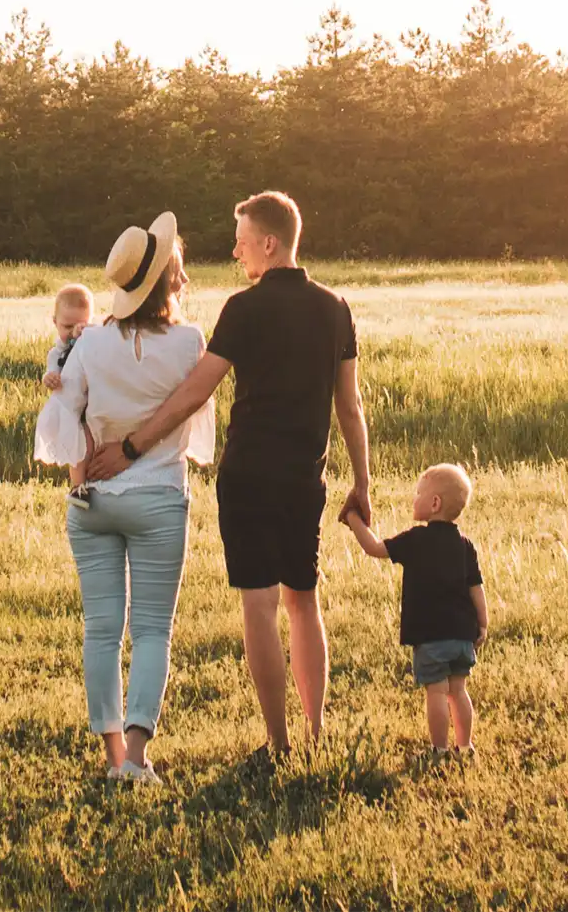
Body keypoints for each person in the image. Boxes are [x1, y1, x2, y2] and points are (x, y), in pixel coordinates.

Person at [86, 191, 370, 768]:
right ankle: (316, 735)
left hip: (248, 477)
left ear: (269, 242)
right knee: (303, 600)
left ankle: (278, 744)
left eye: (242, 240)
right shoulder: (336, 307)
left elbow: (197, 390)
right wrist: (362, 482)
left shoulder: (243, 309)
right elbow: (350, 404)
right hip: (304, 478)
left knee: (260, 605)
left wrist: (133, 445)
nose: (236, 250)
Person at [57, 213, 216, 782]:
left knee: (100, 629)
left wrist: (80, 473)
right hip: (158, 499)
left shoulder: (90, 343)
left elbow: (63, 415)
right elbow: (194, 419)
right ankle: (139, 756)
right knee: (152, 630)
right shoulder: (191, 341)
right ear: (170, 280)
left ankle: (111, 759)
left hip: (93, 500)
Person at [341, 464, 488, 755]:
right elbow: (476, 588)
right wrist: (482, 624)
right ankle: (465, 745)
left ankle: (439, 748)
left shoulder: (415, 540)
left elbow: (374, 548)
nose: (414, 498)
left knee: (436, 691)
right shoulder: (465, 545)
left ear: (435, 504)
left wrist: (352, 518)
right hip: (462, 636)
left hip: (432, 637)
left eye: (418, 493)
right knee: (458, 691)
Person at [36, 284, 97, 505]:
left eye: (81, 325)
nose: (73, 332)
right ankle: (78, 488)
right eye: (67, 326)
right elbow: (51, 371)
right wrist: (49, 378)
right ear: (55, 322)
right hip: (71, 407)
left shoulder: (93, 341)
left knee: (96, 442)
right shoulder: (57, 352)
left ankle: (100, 481)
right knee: (78, 447)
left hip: (93, 404)